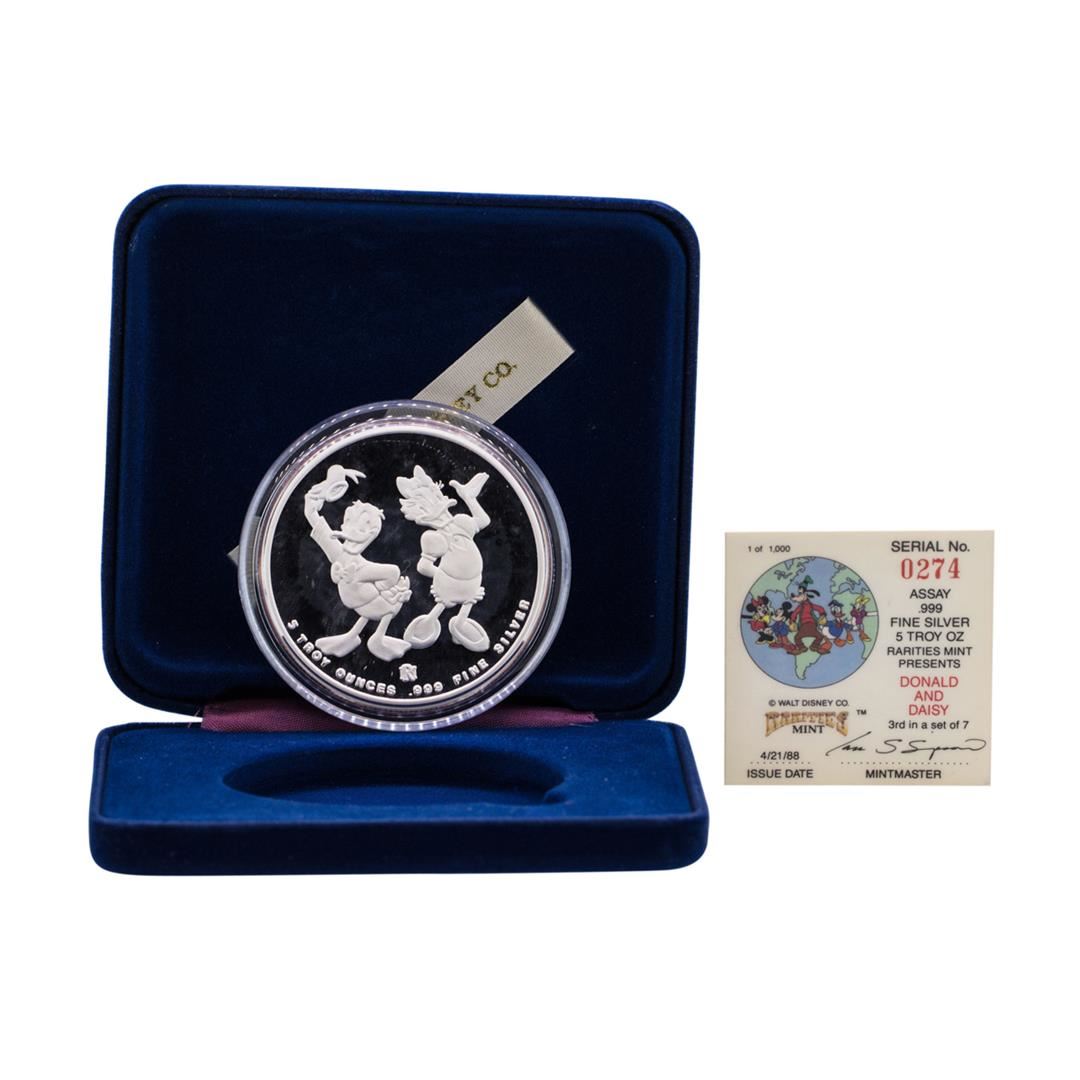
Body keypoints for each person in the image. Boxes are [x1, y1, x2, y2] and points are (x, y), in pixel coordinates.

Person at [304, 464, 412, 661]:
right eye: (349, 524)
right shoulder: (339, 553)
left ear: (372, 534)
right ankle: (351, 637)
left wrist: (383, 589)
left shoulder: (362, 568)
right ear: (344, 524)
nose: (353, 531)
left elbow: (393, 572)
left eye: (363, 529)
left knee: (387, 605)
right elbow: (314, 520)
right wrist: (312, 499)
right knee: (366, 612)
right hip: (360, 604)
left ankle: (378, 638)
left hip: (380, 604)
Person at [396, 464, 491, 653]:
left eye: (435, 495)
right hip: (449, 584)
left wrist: (469, 498)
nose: (435, 503)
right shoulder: (434, 538)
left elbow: (483, 521)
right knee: (440, 608)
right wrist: (444, 576)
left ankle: (460, 626)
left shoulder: (460, 523)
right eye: (424, 503)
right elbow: (424, 566)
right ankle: (427, 626)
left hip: (472, 582)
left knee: (464, 612)